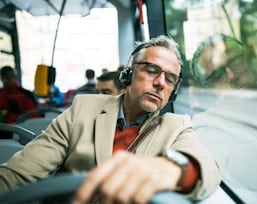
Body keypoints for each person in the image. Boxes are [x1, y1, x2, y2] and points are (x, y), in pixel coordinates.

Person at [0, 35, 221, 203]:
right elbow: (19, 173)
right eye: (152, 70)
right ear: (128, 74)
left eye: (170, 78)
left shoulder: (176, 125)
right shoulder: (83, 108)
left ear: (172, 92)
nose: (160, 83)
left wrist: (174, 169)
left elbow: (209, 170)